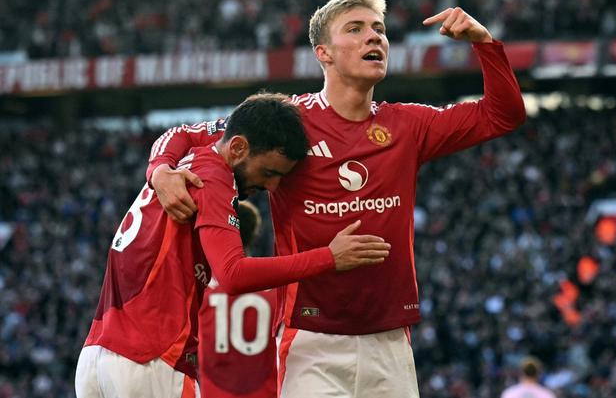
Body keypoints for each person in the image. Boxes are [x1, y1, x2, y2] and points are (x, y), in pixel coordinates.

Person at [147, 0, 526, 398]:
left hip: (390, 342)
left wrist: (483, 43)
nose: (374, 37)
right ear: (323, 53)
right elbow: (185, 132)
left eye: (379, 29)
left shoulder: (408, 125)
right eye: (356, 29)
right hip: (312, 341)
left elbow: (502, 115)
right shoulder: (287, 123)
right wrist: (159, 171)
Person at [75, 92, 391, 398]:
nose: (272, 187)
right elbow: (233, 273)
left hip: (97, 358)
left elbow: (180, 132)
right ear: (238, 148)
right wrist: (329, 258)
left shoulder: (194, 159)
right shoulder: (213, 177)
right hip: (152, 362)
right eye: (269, 172)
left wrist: (157, 168)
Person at [199, 200, 278, 398]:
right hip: (266, 392)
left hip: (214, 393)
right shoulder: (276, 289)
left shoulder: (202, 291)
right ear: (254, 235)